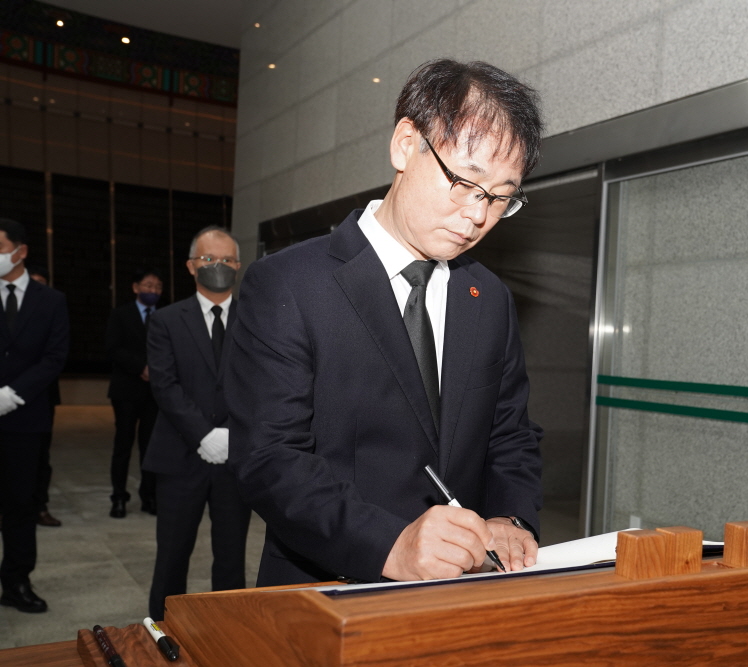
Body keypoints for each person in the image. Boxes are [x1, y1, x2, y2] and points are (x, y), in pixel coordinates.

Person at [227, 59, 544, 587]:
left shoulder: (488, 297)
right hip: (326, 586)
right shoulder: (289, 284)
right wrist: (387, 546)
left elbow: (510, 433)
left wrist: (509, 518)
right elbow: (270, 459)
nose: (477, 215)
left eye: (500, 197)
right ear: (405, 145)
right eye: (466, 182)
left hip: (463, 584)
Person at [142, 226, 251, 620]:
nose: (217, 266)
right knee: (172, 555)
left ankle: (227, 630)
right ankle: (162, 630)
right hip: (180, 456)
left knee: (231, 557)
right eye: (208, 259)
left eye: (226, 260)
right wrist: (203, 435)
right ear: (191, 266)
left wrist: (233, 433)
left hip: (235, 459)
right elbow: (164, 384)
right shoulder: (166, 320)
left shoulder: (257, 319)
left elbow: (264, 384)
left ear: (237, 266)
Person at [0, 219, 69, 613]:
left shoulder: (51, 301)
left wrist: (12, 394)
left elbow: (55, 357)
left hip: (26, 419)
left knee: (20, 502)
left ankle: (16, 581)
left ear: (20, 251)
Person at [106, 267, 164, 518]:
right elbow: (113, 348)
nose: (153, 290)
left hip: (155, 393)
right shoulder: (120, 314)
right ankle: (119, 497)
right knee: (123, 445)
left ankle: (149, 496)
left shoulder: (165, 315)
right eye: (148, 285)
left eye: (157, 287)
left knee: (151, 446)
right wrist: (141, 367)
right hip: (126, 390)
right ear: (136, 287)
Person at [27, 266, 63, 528]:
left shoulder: (53, 313)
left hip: (43, 395)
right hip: (8, 395)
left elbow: (57, 354)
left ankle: (40, 506)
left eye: (42, 283)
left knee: (41, 456)